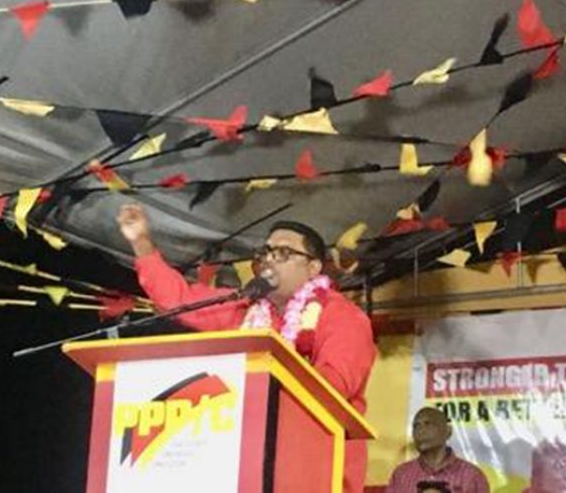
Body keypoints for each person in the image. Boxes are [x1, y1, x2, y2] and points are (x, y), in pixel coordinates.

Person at [116, 204, 376, 493]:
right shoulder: (247, 309)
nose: (269, 260)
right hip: (245, 469)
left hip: (316, 473)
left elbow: (332, 387)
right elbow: (181, 298)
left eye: (284, 253)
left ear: (313, 268)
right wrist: (141, 242)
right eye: (266, 251)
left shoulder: (342, 317)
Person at [385, 407, 489, 493]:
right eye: (416, 426)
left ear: (448, 431)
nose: (420, 431)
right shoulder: (401, 475)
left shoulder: (472, 476)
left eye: (428, 424)